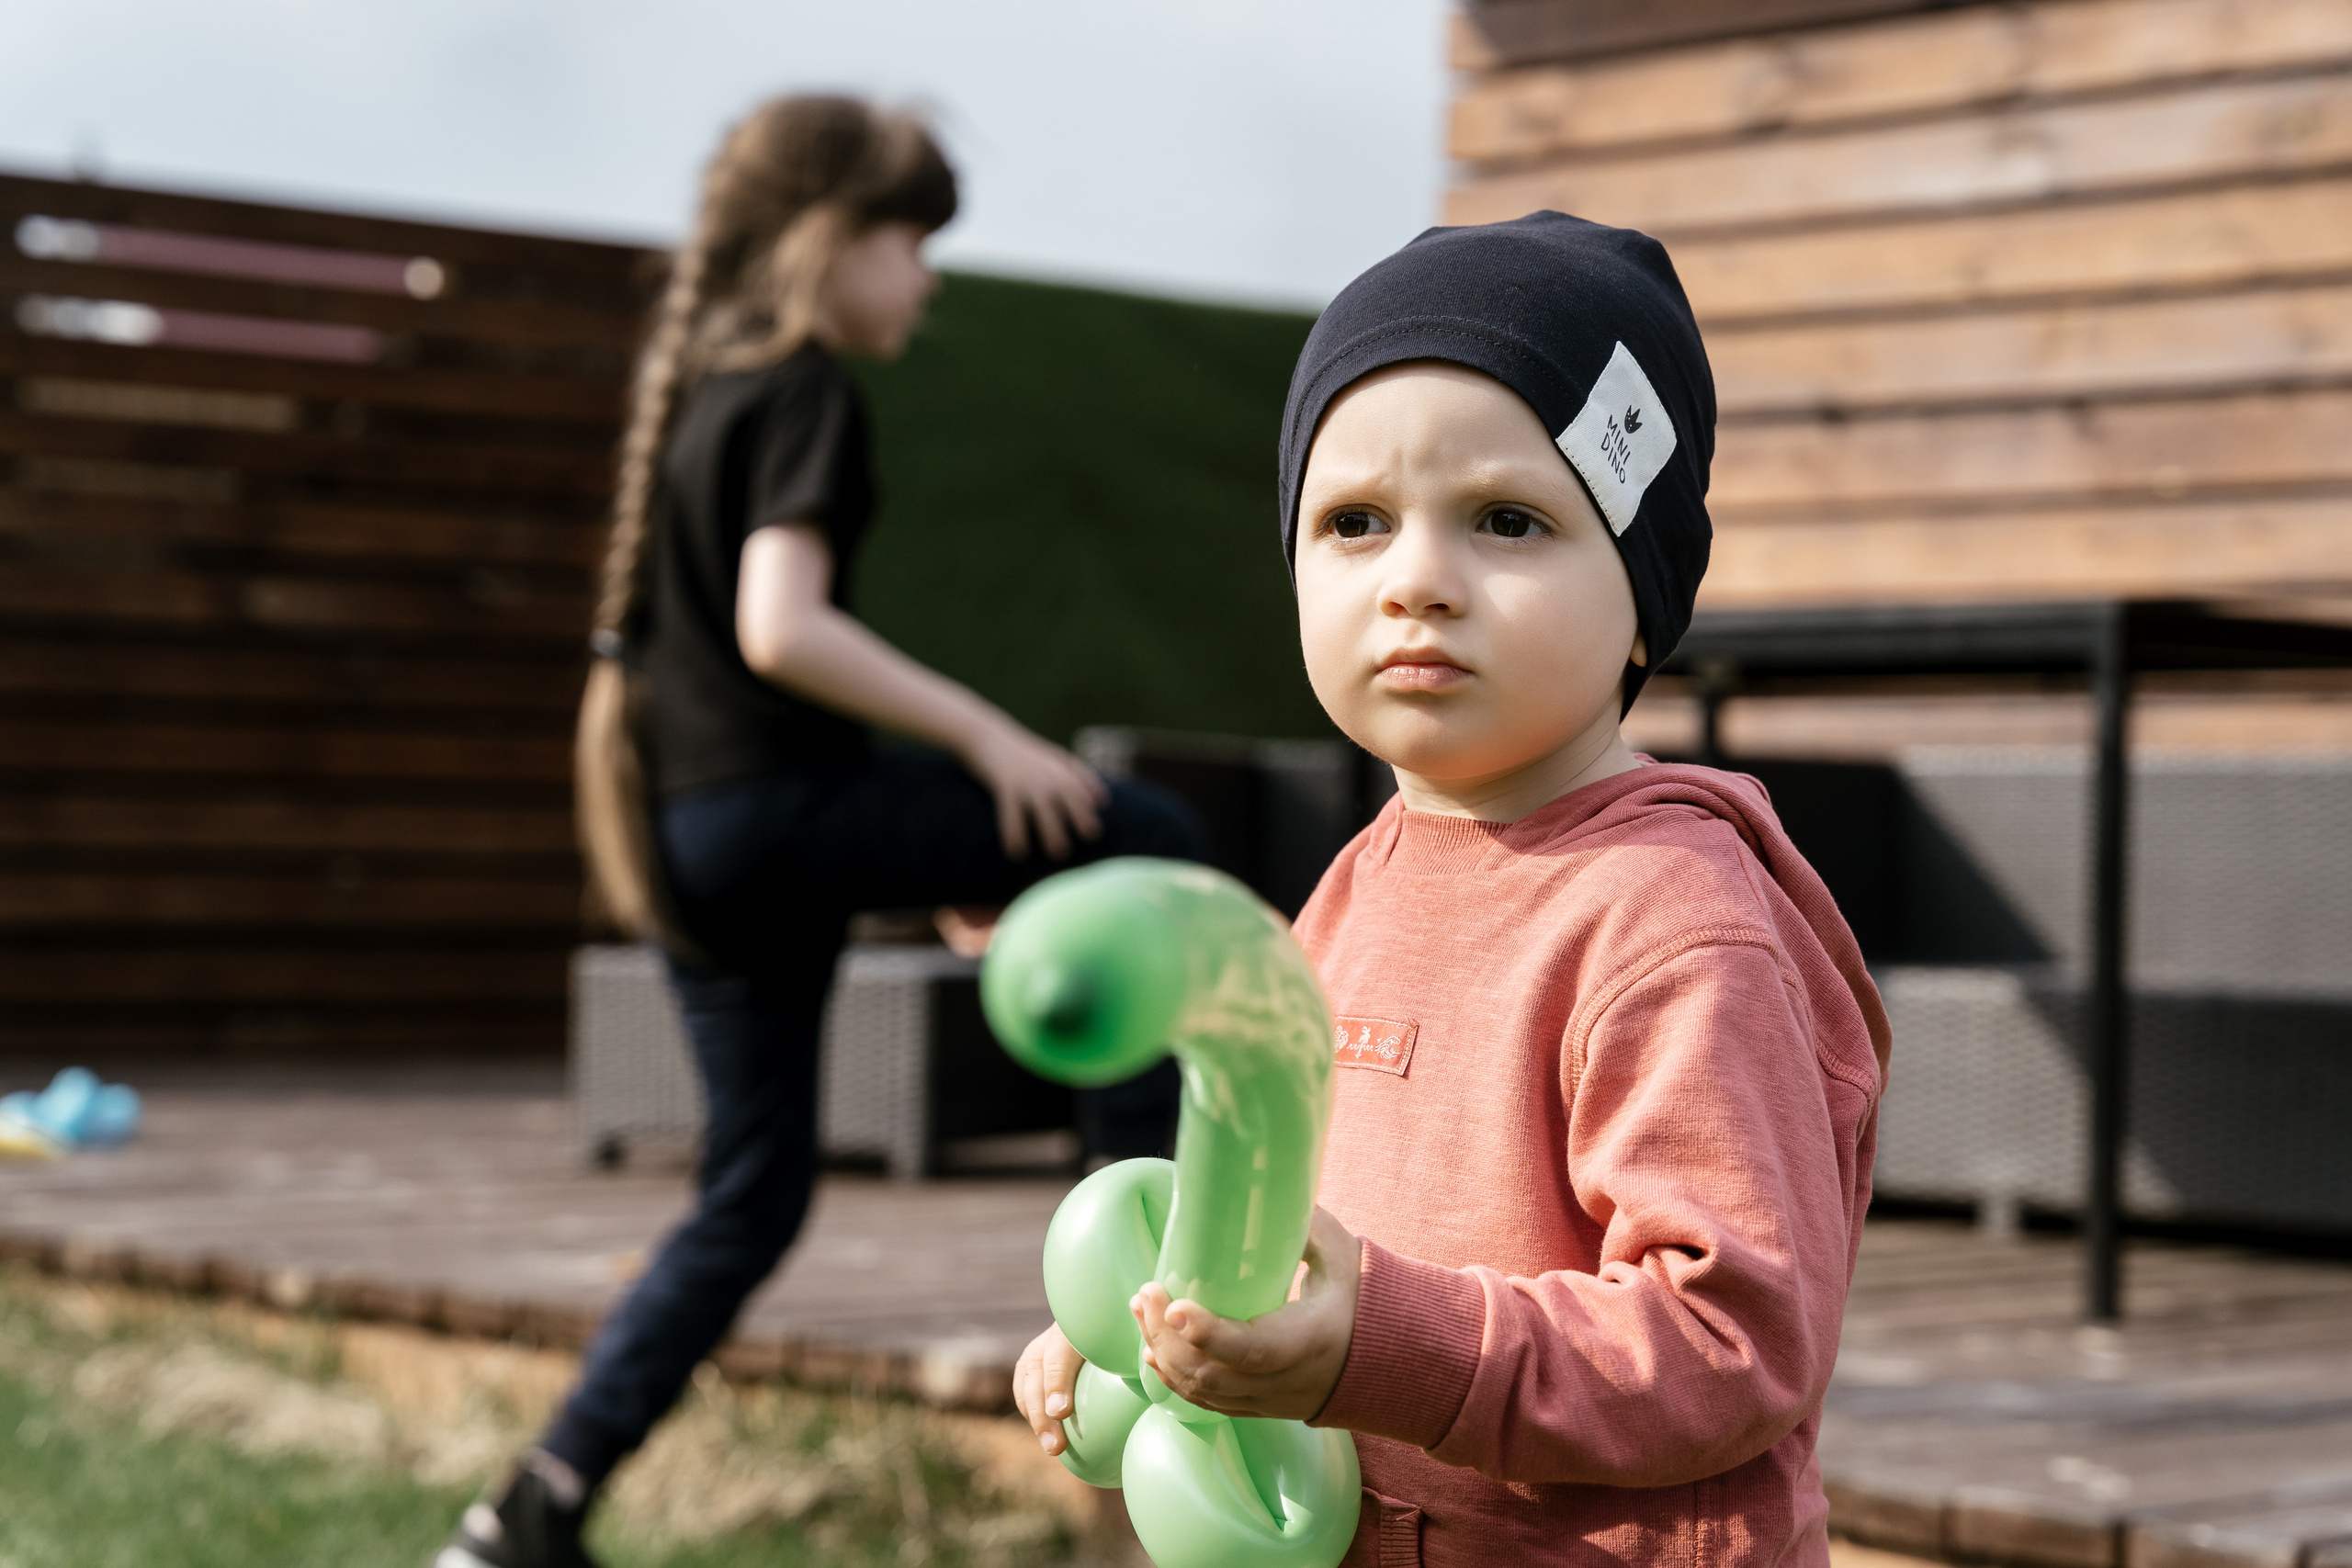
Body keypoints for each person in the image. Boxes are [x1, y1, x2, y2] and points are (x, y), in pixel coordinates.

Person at [1012, 211, 1891, 1567]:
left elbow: (1732, 1344)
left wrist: (1382, 1343)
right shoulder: (1356, 887)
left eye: (1506, 520)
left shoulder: (1674, 922)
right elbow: (1265, 1221)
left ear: (1644, 591)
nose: (1418, 581)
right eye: (1356, 522)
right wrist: (1155, 1330)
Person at [440, 96, 1200, 1568]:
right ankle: (1145, 1366)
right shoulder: (804, 391)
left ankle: (528, 1510)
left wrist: (940, 870)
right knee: (1143, 838)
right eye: (911, 241)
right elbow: (778, 629)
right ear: (830, 240)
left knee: (754, 1192)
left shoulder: (709, 391)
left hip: (700, 838)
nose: (925, 277)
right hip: (773, 821)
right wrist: (983, 741)